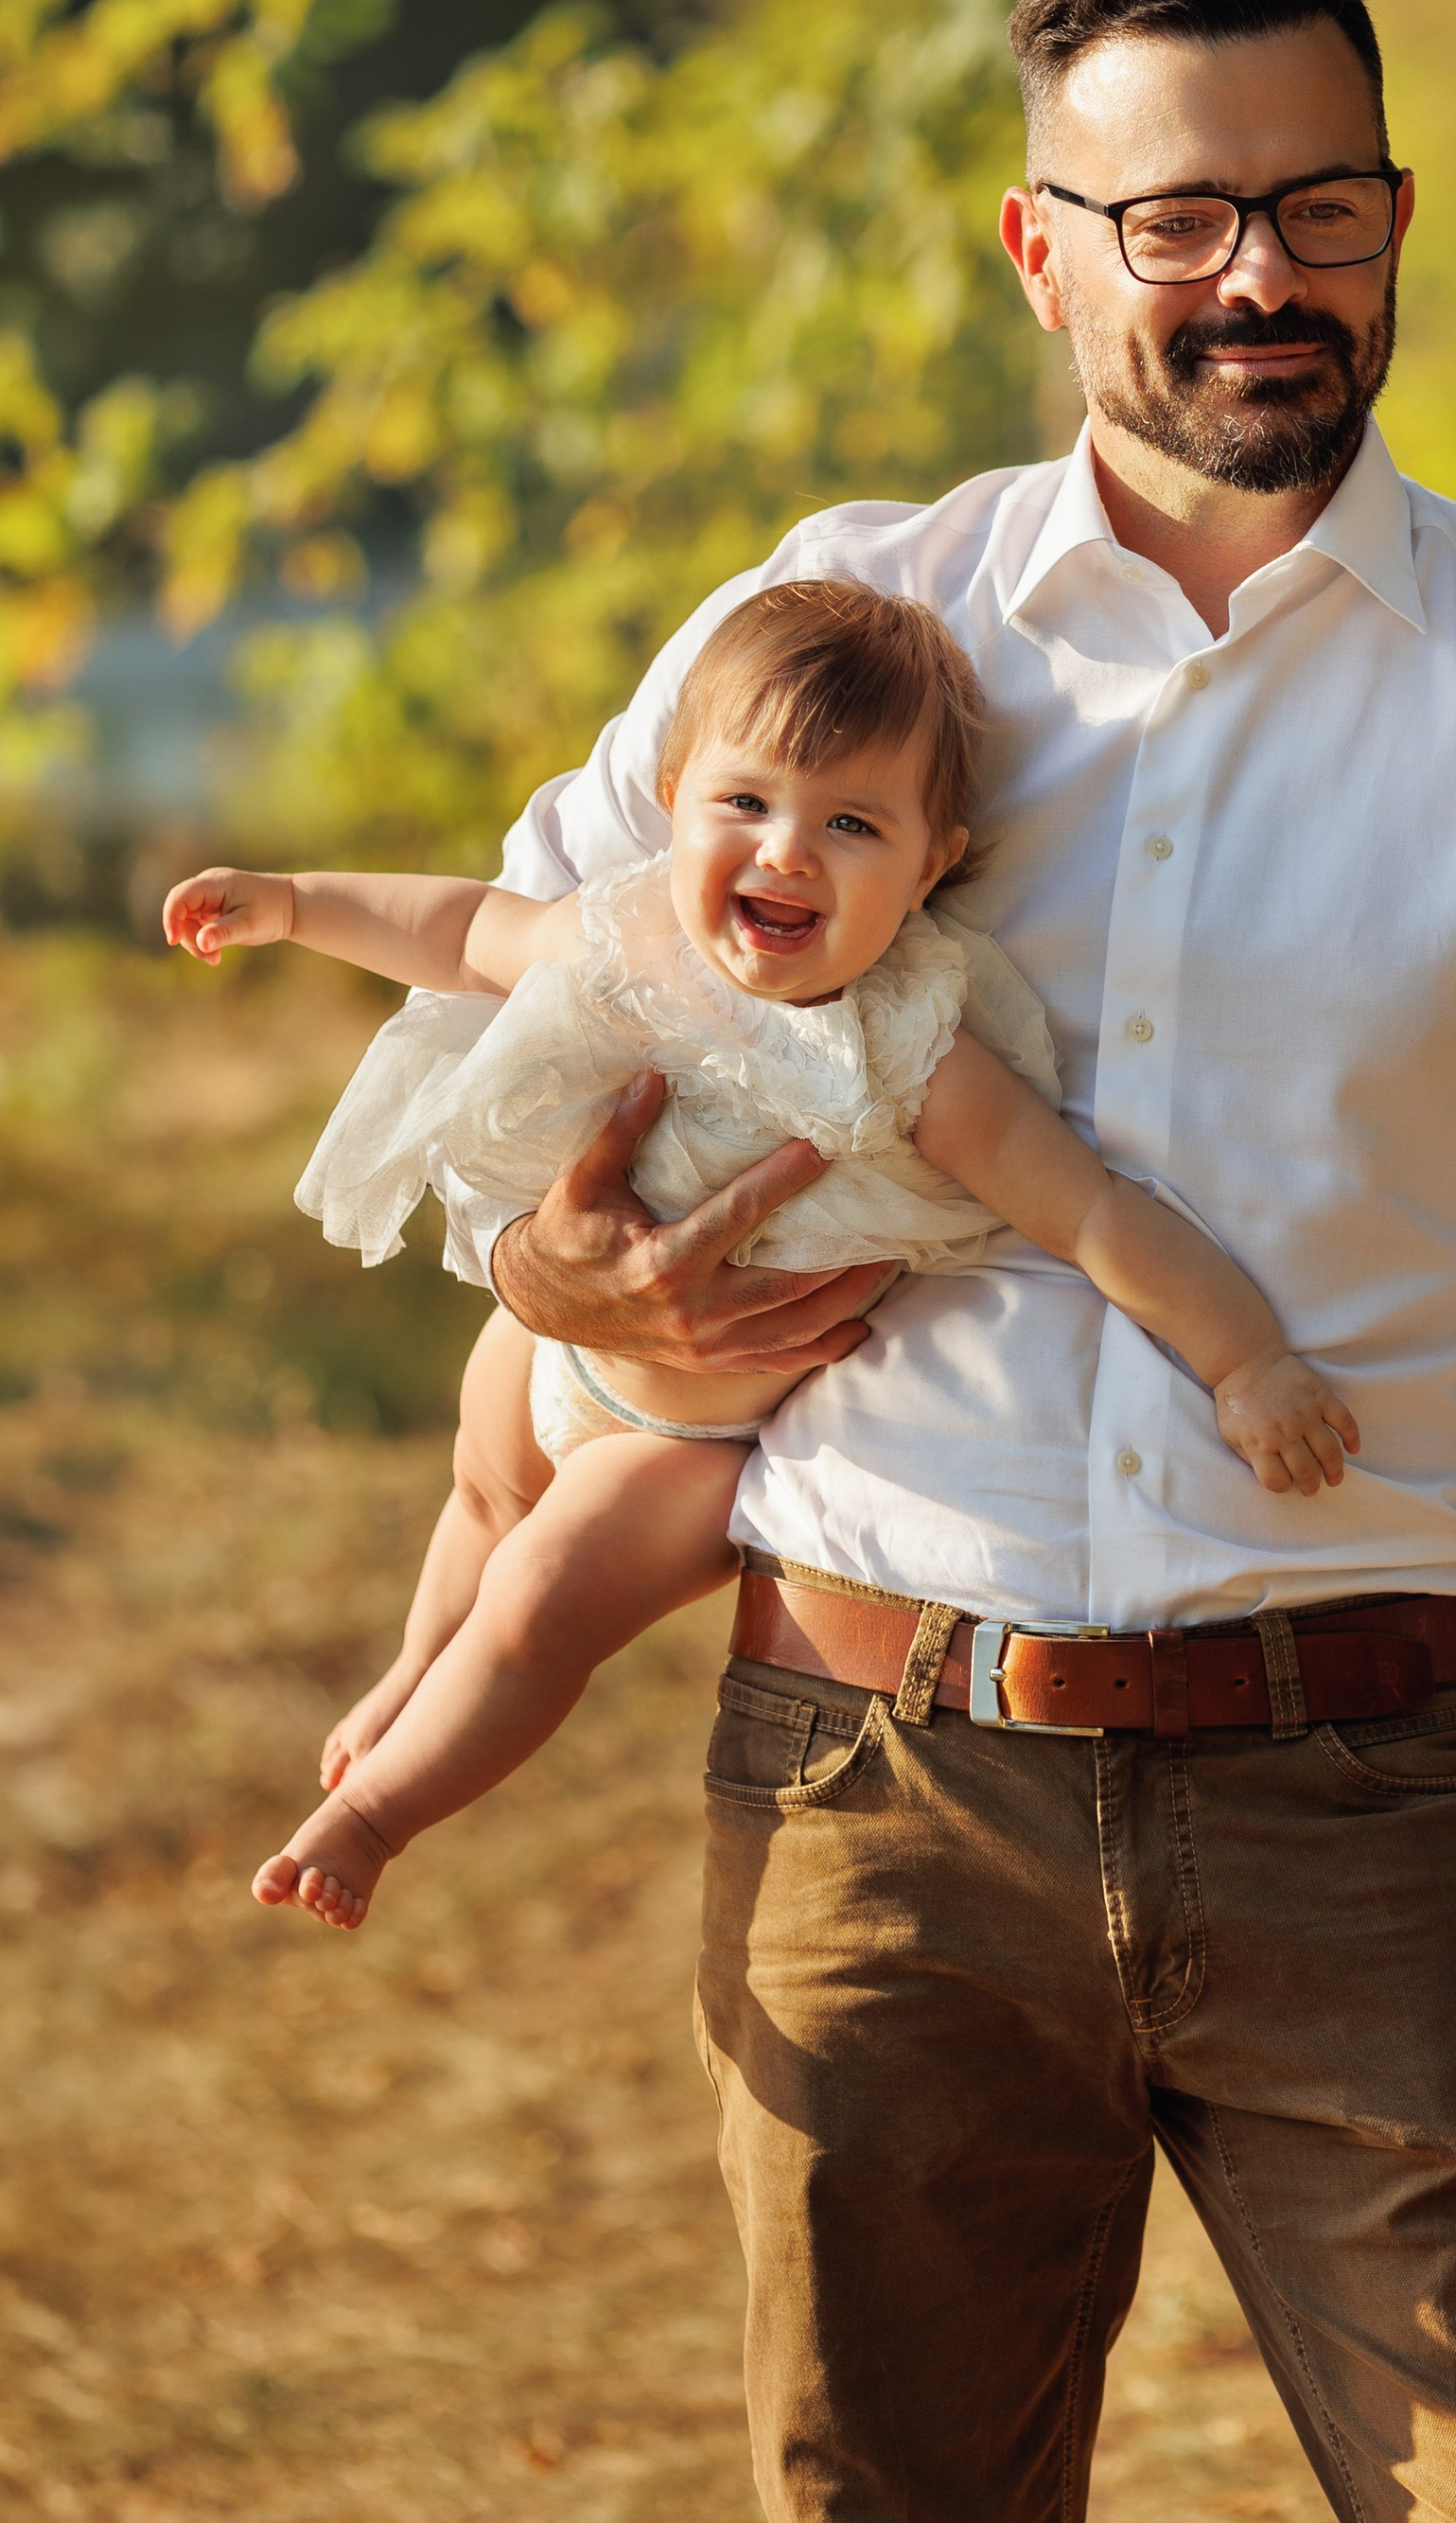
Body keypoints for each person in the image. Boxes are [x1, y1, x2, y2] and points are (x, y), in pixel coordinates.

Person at [453, 0, 1456, 2523]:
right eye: (1176, 220)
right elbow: (525, 999)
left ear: (1395, 224)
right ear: (1039, 249)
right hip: (877, 1787)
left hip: (1368, 1788)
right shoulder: (839, 633)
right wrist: (551, 1278)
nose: (1257, 283)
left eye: (1318, 210)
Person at [163, 577, 1358, 1930]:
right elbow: (456, 930)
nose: (787, 853)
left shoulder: (915, 1050)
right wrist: (293, 902)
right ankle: (406, 1678)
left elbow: (1091, 1213)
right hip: (551, 1342)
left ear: (932, 864)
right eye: (746, 803)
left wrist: (1246, 1362)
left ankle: (375, 1817)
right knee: (482, 1504)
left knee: (541, 1595)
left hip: (678, 1445)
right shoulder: (621, 932)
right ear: (673, 797)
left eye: (851, 824)